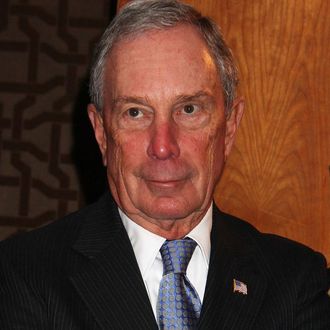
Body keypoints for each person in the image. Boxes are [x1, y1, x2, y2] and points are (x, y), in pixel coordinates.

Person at [0, 0, 329, 329]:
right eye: (135, 112)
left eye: (188, 110)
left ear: (229, 127)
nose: (162, 146)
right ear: (101, 133)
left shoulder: (295, 282)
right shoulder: (23, 274)